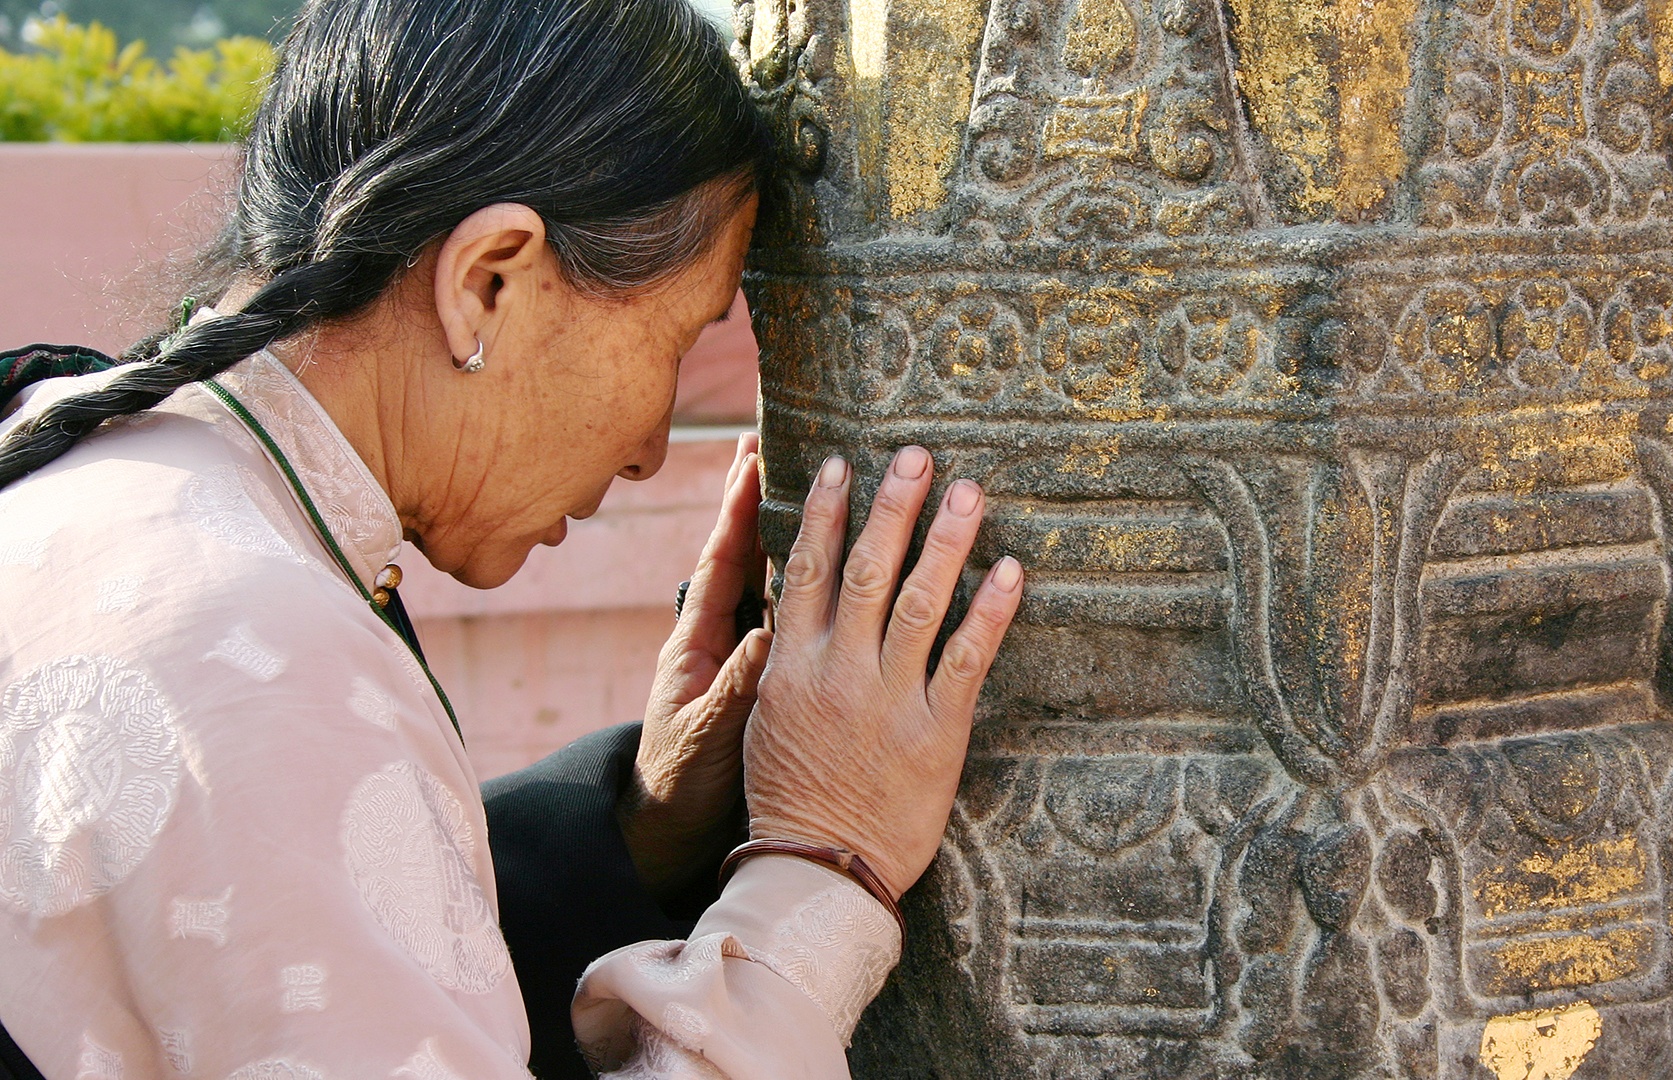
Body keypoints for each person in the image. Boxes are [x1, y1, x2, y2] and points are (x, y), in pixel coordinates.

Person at [0, 0, 1025, 1077]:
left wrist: (635, 829)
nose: (649, 448)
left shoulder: (91, 466)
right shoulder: (251, 663)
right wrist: (822, 865)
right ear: (490, 277)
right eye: (678, 338)